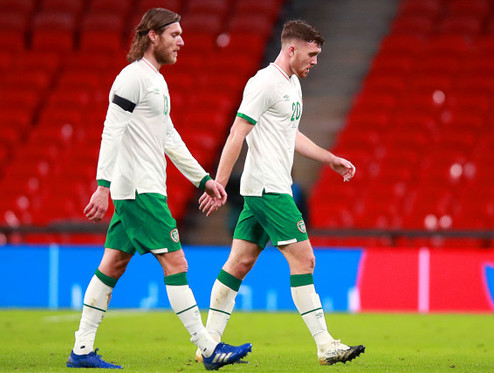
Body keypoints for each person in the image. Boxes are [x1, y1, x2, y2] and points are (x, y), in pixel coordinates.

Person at [66, 8, 252, 370]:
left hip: (139, 188)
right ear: (153, 35)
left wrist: (203, 179)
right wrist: (102, 184)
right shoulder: (131, 79)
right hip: (138, 191)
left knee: (112, 264)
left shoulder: (156, 81)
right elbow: (111, 130)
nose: (181, 41)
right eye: (175, 35)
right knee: (176, 262)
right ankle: (208, 348)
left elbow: (168, 136)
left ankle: (82, 350)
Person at [198, 20, 365, 366]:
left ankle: (208, 345)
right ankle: (325, 344)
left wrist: (329, 158)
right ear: (291, 49)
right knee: (305, 260)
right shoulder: (264, 83)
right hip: (268, 190)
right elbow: (236, 134)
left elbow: (291, 135)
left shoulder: (291, 84)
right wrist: (218, 183)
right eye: (312, 54)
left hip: (265, 188)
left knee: (239, 263)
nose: (315, 61)